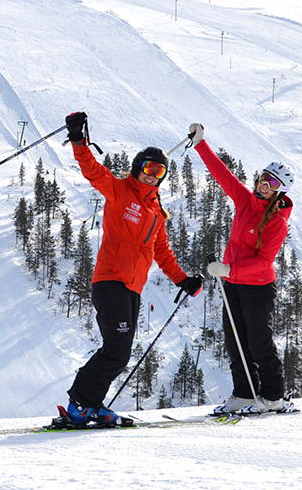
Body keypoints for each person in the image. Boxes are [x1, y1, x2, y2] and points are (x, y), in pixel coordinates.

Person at [62, 112, 203, 426]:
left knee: (120, 352)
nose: (154, 175)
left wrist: (183, 280)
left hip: (131, 288)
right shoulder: (119, 191)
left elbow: (162, 252)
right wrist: (78, 140)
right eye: (150, 169)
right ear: (139, 168)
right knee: (115, 349)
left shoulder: (156, 212)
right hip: (110, 281)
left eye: (160, 171)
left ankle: (90, 404)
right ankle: (81, 404)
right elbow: (92, 171)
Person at [186, 123, 295, 414]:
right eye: (263, 179)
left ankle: (273, 396)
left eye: (272, 184)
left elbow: (263, 262)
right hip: (232, 283)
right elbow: (223, 175)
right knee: (235, 341)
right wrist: (201, 144)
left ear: (279, 192)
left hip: (257, 287)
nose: (263, 185)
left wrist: (228, 270)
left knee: (258, 341)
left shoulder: (277, 223)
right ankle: (245, 393)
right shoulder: (246, 201)